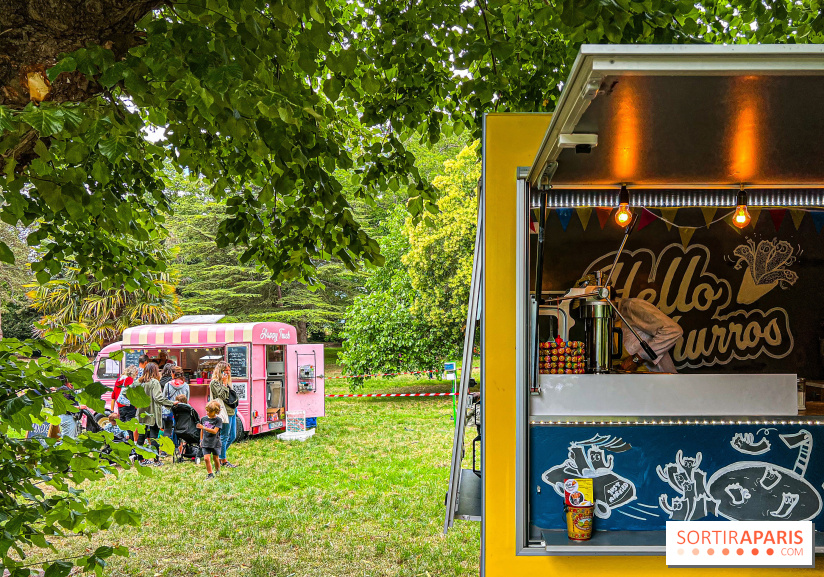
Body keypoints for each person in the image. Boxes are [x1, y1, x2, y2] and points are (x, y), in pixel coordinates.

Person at [616, 298, 684, 373]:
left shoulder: (632, 306)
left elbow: (673, 330)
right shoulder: (611, 322)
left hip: (654, 378)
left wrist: (637, 359)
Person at [136, 362, 178, 466]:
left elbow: (126, 392)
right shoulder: (154, 382)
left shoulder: (139, 382)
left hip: (141, 413)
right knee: (154, 436)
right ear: (155, 371)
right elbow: (158, 398)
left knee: (141, 436)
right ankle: (156, 460)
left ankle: (140, 460)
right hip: (152, 413)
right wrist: (171, 403)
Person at [209, 361, 238, 468]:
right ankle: (223, 459)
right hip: (223, 412)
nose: (228, 373)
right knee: (224, 436)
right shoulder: (214, 383)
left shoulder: (227, 381)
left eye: (229, 371)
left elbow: (231, 396)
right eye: (226, 371)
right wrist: (225, 384)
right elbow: (223, 396)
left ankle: (219, 454)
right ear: (220, 371)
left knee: (233, 436)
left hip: (232, 410)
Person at [162, 366, 189, 440]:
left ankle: (166, 446)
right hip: (181, 411)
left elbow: (163, 399)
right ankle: (178, 446)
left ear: (173, 374)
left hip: (168, 411)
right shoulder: (186, 386)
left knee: (167, 430)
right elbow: (187, 400)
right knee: (180, 430)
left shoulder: (167, 385)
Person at [197, 400, 223, 479]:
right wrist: (201, 440)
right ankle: (210, 474)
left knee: (215, 458)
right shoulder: (203, 419)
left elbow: (215, 431)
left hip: (215, 442)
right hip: (205, 442)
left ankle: (218, 470)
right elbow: (202, 431)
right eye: (207, 411)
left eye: (210, 411)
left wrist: (204, 427)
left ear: (215, 412)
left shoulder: (218, 420)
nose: (207, 413)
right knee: (206, 458)